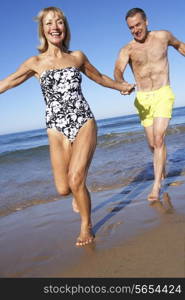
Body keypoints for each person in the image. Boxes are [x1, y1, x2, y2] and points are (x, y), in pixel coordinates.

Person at [0, 6, 134, 246]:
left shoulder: (77, 57)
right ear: (43, 30)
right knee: (63, 188)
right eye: (49, 23)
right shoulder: (35, 63)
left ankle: (86, 225)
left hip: (83, 119)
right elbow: (8, 82)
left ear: (65, 28)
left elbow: (100, 77)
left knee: (75, 178)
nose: (55, 27)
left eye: (59, 22)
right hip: (56, 127)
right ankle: (78, 189)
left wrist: (120, 86)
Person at [114, 7, 185, 202]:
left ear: (146, 22)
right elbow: (118, 70)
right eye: (131, 28)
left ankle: (156, 185)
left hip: (163, 92)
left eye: (138, 25)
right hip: (143, 98)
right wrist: (121, 83)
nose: (135, 30)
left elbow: (179, 45)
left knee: (160, 138)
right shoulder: (127, 49)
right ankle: (160, 165)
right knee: (153, 143)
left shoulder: (163, 36)